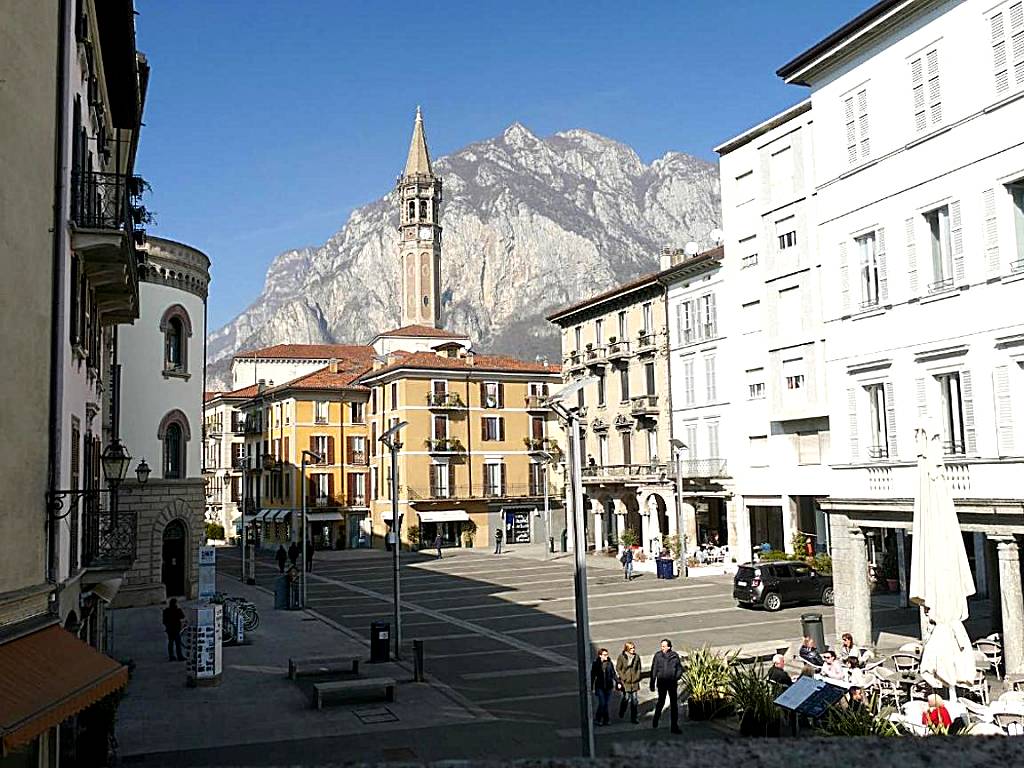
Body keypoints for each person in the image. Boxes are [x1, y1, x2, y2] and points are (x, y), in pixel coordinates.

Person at [649, 639, 683, 734]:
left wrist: (676, 677)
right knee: (661, 701)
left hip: (672, 683)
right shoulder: (658, 656)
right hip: (662, 682)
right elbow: (654, 669)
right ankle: (656, 718)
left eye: (664, 646)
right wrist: (652, 682)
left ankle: (674, 726)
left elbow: (679, 668)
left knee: (674, 704)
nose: (662, 648)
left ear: (669, 647)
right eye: (661, 646)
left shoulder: (674, 656)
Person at [590, 648, 619, 726]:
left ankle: (605, 719)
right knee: (602, 703)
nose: (607, 656)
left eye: (607, 654)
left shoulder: (609, 663)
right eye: (605, 655)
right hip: (600, 686)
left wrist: (618, 682)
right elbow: (593, 676)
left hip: (608, 687)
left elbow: (613, 673)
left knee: (605, 704)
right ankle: (599, 718)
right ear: (600, 655)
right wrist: (591, 687)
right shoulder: (596, 664)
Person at [615, 642, 642, 723]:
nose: (633, 649)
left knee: (634, 700)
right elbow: (618, 668)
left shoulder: (637, 657)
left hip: (634, 681)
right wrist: (623, 677)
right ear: (627, 649)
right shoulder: (622, 657)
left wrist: (637, 676)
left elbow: (639, 668)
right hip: (626, 682)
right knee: (626, 698)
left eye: (633, 648)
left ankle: (634, 718)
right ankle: (622, 711)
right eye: (631, 648)